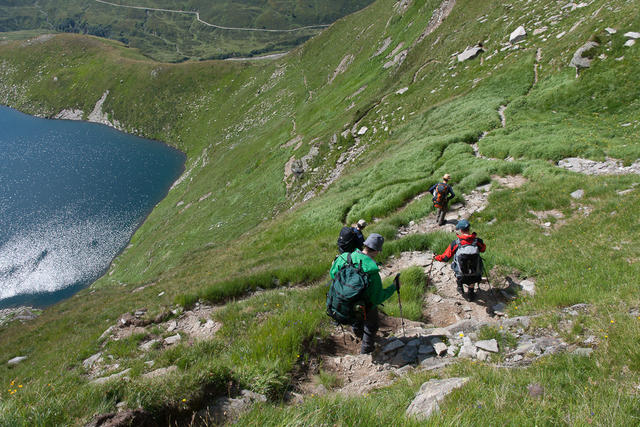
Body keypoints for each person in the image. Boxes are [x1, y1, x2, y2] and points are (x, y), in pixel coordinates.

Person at [329, 233, 398, 354]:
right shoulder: (372, 272)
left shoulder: (345, 257)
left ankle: (358, 333)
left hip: (345, 301)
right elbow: (377, 298)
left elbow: (332, 274)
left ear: (364, 245)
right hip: (363, 305)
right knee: (372, 325)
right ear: (377, 251)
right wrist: (393, 287)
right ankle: (366, 351)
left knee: (356, 319)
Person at [434, 219, 486, 301]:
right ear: (469, 228)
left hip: (461, 275)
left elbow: (445, 258)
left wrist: (436, 257)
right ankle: (471, 293)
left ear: (461, 230)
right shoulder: (477, 241)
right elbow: (483, 249)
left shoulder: (456, 243)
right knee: (474, 270)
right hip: (475, 275)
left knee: (456, 264)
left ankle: (459, 286)